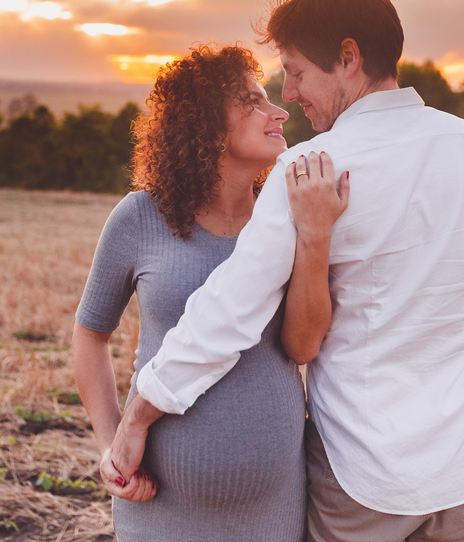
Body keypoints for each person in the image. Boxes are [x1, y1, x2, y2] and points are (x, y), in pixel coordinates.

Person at [109, 0, 464, 542]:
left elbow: (231, 307)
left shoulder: (312, 166)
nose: (288, 92)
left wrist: (140, 411)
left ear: (348, 57)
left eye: (296, 71)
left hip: (362, 477)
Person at [72, 44, 349, 542]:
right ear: (205, 124)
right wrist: (110, 441)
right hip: (160, 510)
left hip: (275, 510)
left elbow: (304, 346)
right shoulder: (139, 218)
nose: (279, 111)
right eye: (253, 101)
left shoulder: (285, 218)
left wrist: (316, 236)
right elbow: (90, 334)